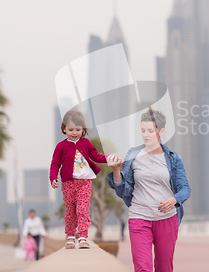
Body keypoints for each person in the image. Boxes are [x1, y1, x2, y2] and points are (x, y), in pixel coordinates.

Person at [107, 109, 191, 272]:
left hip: (166, 219)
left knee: (164, 268)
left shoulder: (173, 158)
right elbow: (122, 190)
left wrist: (174, 199)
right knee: (142, 268)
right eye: (143, 130)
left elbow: (185, 188)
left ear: (161, 131)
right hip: (139, 217)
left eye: (151, 131)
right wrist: (116, 171)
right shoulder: (133, 155)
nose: (146, 135)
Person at [49, 110, 121, 249]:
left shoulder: (86, 143)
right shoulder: (61, 146)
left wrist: (109, 157)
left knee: (82, 209)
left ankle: (82, 237)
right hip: (68, 184)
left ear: (83, 129)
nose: (74, 132)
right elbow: (55, 164)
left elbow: (96, 156)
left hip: (85, 183)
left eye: (78, 129)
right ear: (64, 129)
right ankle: (70, 236)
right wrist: (53, 178)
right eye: (71, 129)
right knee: (70, 210)